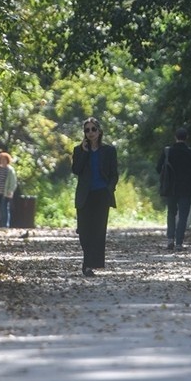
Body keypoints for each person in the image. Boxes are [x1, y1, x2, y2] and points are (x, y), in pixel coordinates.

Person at [71, 117, 118, 276]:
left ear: (99, 131)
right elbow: (76, 170)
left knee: (97, 231)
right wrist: (84, 153)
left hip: (101, 194)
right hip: (85, 195)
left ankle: (89, 265)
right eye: (87, 130)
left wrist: (109, 189)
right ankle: (88, 261)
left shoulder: (109, 150)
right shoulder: (79, 150)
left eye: (93, 129)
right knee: (84, 231)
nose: (90, 133)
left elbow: (114, 173)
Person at [156, 127, 191, 250]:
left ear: (175, 137)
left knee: (171, 213)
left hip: (171, 188)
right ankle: (179, 243)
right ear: (187, 138)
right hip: (186, 189)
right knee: (183, 215)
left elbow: (158, 168)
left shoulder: (168, 152)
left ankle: (170, 239)